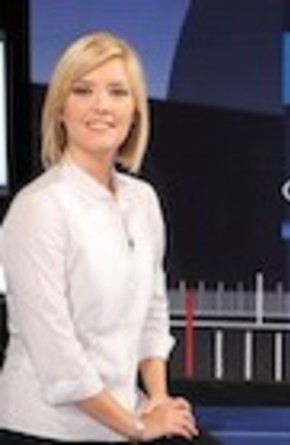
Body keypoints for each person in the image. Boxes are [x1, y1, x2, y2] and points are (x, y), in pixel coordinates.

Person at [0, 31, 210, 444]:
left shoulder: (141, 200)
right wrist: (138, 428)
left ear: (135, 111)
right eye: (83, 91)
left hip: (124, 417)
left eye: (117, 92)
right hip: (46, 429)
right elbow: (59, 362)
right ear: (61, 108)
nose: (101, 106)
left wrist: (158, 400)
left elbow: (152, 313)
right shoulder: (38, 208)